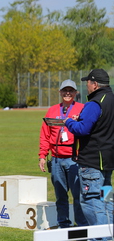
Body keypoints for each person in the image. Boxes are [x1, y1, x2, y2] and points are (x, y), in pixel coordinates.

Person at [64, 69, 114, 241]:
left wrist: (69, 122)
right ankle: (109, 234)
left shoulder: (94, 103)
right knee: (106, 198)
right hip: (108, 160)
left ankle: (99, 237)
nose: (86, 86)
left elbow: (82, 129)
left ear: (95, 84)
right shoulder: (111, 99)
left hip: (92, 160)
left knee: (91, 199)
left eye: (88, 83)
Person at [38, 79, 87, 229]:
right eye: (65, 90)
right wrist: (42, 155)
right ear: (60, 92)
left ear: (75, 93)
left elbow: (87, 130)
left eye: (71, 90)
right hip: (56, 159)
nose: (67, 93)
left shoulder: (82, 108)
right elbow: (45, 135)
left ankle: (81, 225)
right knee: (60, 196)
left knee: (78, 195)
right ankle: (63, 224)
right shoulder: (52, 110)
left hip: (74, 159)